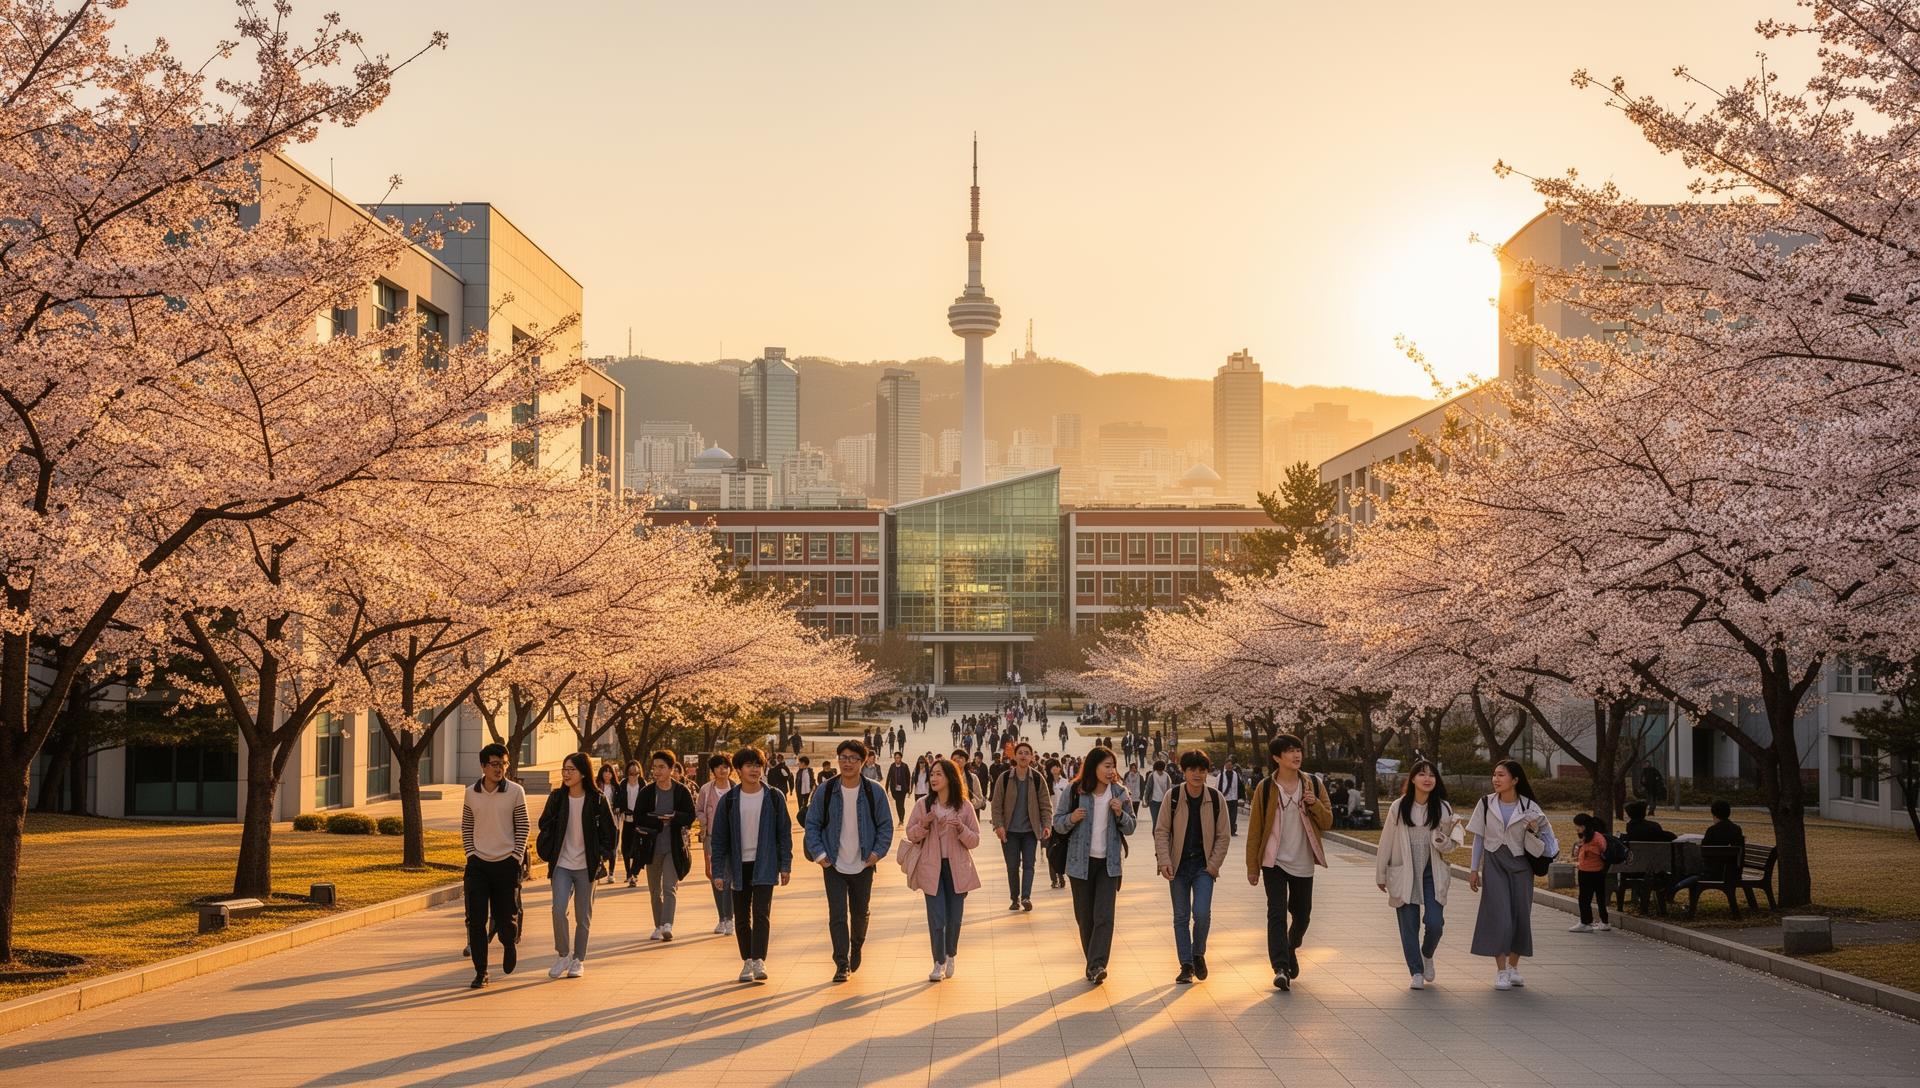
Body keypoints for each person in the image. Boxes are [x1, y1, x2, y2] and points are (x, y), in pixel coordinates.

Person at [802, 739, 893, 983]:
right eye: (843, 757)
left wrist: (876, 853)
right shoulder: (826, 790)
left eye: (853, 758)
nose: (848, 762)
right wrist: (820, 855)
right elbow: (812, 824)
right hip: (833, 863)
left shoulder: (874, 791)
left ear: (863, 761)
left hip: (864, 863)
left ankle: (857, 945)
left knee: (860, 913)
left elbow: (886, 825)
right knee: (838, 915)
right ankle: (841, 962)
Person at [1246, 734, 1331, 991]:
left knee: (1302, 915)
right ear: (1276, 757)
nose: (1296, 755)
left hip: (1303, 861)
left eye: (1298, 750)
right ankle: (1280, 968)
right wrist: (1252, 867)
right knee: (1276, 912)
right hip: (1274, 862)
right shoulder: (1266, 788)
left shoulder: (1313, 784)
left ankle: (1291, 946)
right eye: (1290, 751)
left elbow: (1327, 822)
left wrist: (1315, 804)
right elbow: (1255, 829)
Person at [1466, 758, 1559, 991]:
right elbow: (1478, 838)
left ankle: (1513, 968)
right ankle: (1501, 971)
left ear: (1515, 780)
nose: (1495, 779)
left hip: (1521, 865)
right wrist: (1473, 869)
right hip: (1494, 863)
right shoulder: (1485, 803)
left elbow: (1549, 839)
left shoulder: (1530, 806)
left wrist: (1535, 830)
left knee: (1520, 916)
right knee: (1500, 916)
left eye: (1501, 775)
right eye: (1494, 775)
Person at [709, 746, 793, 983]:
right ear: (738, 770)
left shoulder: (774, 797)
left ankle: (759, 960)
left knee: (761, 914)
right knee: (742, 917)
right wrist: (718, 871)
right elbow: (719, 840)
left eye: (758, 765)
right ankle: (747, 960)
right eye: (749, 766)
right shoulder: (729, 800)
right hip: (738, 865)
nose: (754, 770)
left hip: (765, 862)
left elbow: (784, 833)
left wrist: (785, 865)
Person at [1054, 746, 1135, 984]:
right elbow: (1058, 822)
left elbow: (1131, 827)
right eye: (1107, 766)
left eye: (1113, 766)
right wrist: (1072, 818)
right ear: (1094, 766)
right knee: (1085, 917)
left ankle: (1097, 965)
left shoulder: (1120, 792)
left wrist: (1120, 814)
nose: (1111, 771)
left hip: (1109, 865)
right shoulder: (1075, 791)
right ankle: (1093, 964)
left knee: (1104, 916)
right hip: (1079, 864)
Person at [1374, 758, 1456, 989]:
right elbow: (1386, 841)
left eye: (1431, 774)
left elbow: (1452, 845)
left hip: (1432, 872)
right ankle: (1416, 971)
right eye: (1421, 774)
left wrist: (1442, 841)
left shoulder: (1443, 808)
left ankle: (1426, 953)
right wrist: (1381, 874)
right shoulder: (1399, 807)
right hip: (1404, 871)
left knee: (1435, 923)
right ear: (1412, 779)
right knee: (1409, 925)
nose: (1427, 778)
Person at [535, 752, 616, 980]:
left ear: (583, 773)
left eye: (571, 769)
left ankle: (578, 960)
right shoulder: (557, 797)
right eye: (564, 769)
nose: (566, 774)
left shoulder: (597, 799)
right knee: (558, 909)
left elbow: (610, 833)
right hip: (561, 864)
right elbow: (543, 823)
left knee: (583, 916)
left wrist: (600, 855)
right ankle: (563, 955)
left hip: (586, 866)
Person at [1154, 749, 1231, 984]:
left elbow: (1223, 836)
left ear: (1207, 772)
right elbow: (1161, 831)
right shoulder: (1173, 796)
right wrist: (1164, 861)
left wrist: (1213, 865)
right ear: (1184, 771)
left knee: (1201, 913)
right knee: (1181, 916)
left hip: (1203, 868)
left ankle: (1198, 953)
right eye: (1192, 769)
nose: (1197, 774)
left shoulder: (1215, 799)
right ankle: (1186, 965)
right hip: (1177, 866)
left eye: (1202, 770)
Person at [904, 757, 983, 981]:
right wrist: (924, 823)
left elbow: (975, 840)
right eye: (932, 774)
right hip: (931, 868)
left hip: (957, 868)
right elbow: (911, 834)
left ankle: (951, 954)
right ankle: (938, 961)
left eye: (939, 774)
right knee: (936, 916)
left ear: (950, 777)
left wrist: (961, 828)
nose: (934, 778)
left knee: (954, 918)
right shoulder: (923, 805)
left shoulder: (964, 806)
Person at [461, 742, 529, 989]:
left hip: (506, 863)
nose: (500, 768)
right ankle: (481, 972)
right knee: (476, 920)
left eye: (504, 764)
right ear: (483, 766)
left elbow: (523, 826)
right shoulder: (471, 792)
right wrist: (471, 854)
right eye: (495, 764)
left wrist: (515, 856)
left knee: (506, 917)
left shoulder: (515, 791)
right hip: (478, 864)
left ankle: (509, 943)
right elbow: (467, 825)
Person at [636, 749, 696, 942]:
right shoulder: (647, 792)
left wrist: (674, 817)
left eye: (661, 767)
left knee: (669, 886)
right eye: (654, 767)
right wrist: (657, 820)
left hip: (674, 847)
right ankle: (658, 925)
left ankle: (667, 924)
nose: (657, 771)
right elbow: (638, 817)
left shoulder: (681, 791)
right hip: (652, 847)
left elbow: (690, 815)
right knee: (655, 890)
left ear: (671, 769)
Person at [990, 741, 1053, 912]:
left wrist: (1047, 825)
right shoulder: (1004, 778)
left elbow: (1046, 805)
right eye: (1020, 753)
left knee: (1029, 865)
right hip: (1009, 832)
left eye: (1027, 753)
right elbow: (996, 805)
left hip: (1030, 832)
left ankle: (1026, 897)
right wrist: (998, 826)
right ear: (1015, 756)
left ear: (1032, 757)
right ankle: (1014, 898)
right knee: (1012, 866)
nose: (1023, 756)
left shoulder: (1038, 779)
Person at [1668, 799, 1745, 898]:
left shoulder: (1712, 830)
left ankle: (1671, 890)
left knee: (1686, 870)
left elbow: (1703, 852)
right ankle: (1672, 891)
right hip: (1732, 872)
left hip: (1712, 873)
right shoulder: (1737, 829)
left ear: (1714, 814)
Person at [696, 752, 736, 935]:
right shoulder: (706, 790)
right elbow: (699, 810)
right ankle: (722, 918)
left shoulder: (736, 789)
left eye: (726, 766)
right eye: (719, 767)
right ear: (712, 770)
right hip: (712, 839)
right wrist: (704, 820)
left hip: (733, 839)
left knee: (730, 878)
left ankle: (730, 918)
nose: (723, 770)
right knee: (715, 877)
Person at [1568, 813, 1612, 934]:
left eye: (1577, 826)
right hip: (1599, 871)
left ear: (1583, 826)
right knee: (1600, 897)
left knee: (1584, 898)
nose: (1576, 828)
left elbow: (1602, 851)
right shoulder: (1594, 836)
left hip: (1587, 871)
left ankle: (1585, 922)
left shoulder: (1594, 838)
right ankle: (1604, 921)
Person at [612, 758, 646, 887]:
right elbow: (618, 799)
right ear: (627, 773)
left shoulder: (642, 784)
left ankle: (634, 873)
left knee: (638, 847)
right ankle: (628, 872)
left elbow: (647, 800)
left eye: (636, 773)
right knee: (626, 847)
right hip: (626, 819)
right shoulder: (623, 784)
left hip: (639, 820)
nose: (634, 776)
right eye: (631, 773)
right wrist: (618, 807)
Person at [596, 764, 620, 884]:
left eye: (609, 772)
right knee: (599, 845)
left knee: (613, 847)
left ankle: (611, 873)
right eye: (605, 772)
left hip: (614, 819)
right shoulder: (597, 786)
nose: (607, 774)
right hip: (600, 820)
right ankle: (599, 871)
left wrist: (617, 807)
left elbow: (621, 801)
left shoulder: (616, 787)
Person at [1217, 759, 1243, 836]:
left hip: (1234, 798)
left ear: (1233, 766)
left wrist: (1241, 797)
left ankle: (1232, 830)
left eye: (1230, 765)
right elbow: (1217, 786)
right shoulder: (1221, 775)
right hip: (1225, 798)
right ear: (1225, 765)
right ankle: (1225, 831)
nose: (1229, 766)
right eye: (1228, 765)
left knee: (1233, 815)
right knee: (1225, 816)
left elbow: (1240, 786)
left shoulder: (1235, 774)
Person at [886, 751, 912, 822]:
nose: (897, 759)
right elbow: (888, 777)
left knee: (901, 804)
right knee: (897, 804)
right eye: (895, 758)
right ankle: (900, 818)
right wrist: (886, 788)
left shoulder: (905, 766)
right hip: (894, 789)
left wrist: (908, 789)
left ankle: (901, 819)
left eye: (898, 758)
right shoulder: (892, 766)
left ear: (901, 758)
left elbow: (908, 777)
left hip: (903, 789)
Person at [1145, 760, 1172, 830]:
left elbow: (1148, 789)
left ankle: (1158, 834)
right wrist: (1146, 799)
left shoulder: (1165, 776)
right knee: (1157, 821)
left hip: (1162, 802)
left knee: (1159, 821)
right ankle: (1156, 835)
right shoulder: (1153, 775)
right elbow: (1148, 788)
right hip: (1154, 801)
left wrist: (1146, 800)